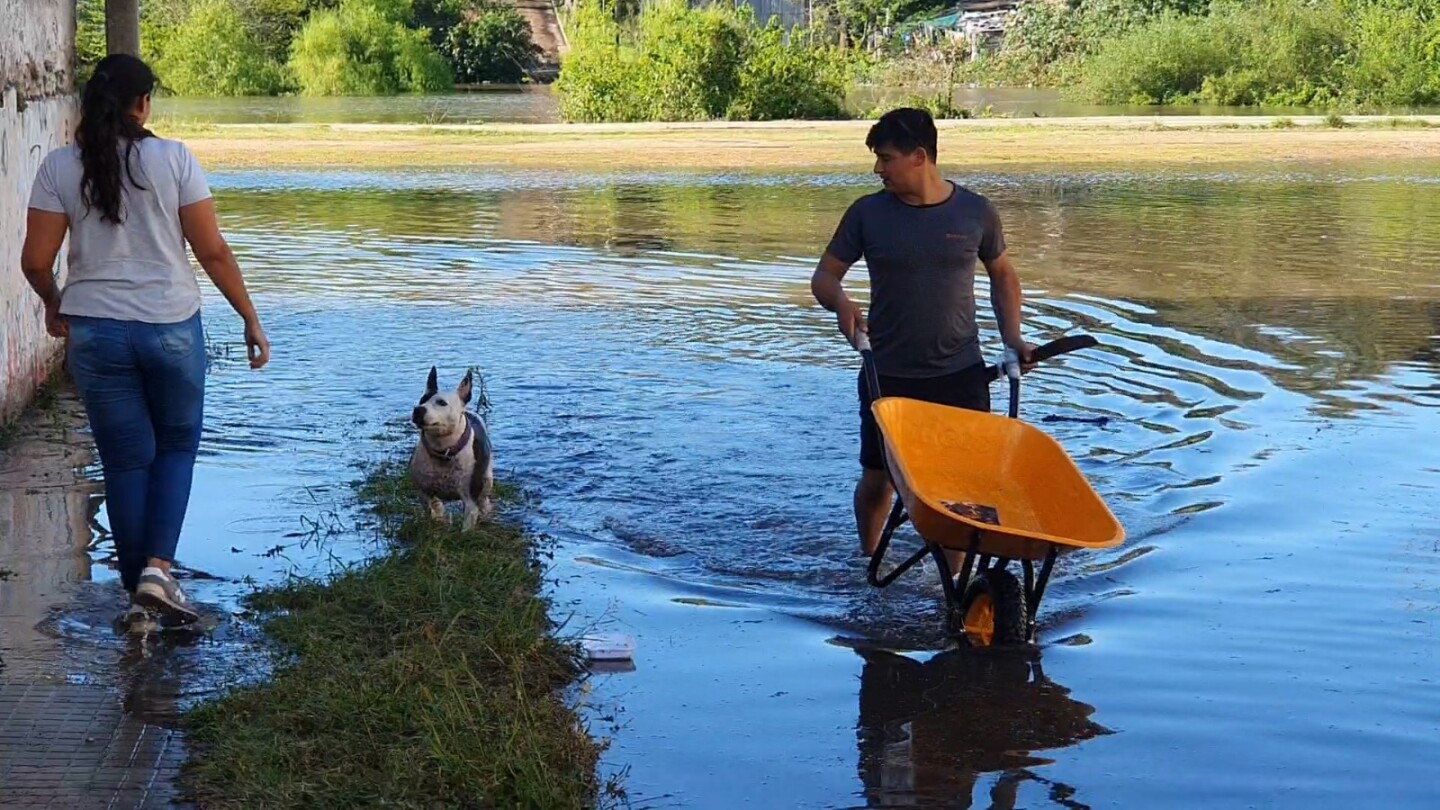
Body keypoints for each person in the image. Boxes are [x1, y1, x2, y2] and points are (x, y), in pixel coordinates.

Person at [20, 54, 270, 626]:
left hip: (96, 335)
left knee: (126, 460)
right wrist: (250, 318)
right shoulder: (174, 158)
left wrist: (55, 304)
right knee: (176, 449)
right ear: (143, 104)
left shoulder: (60, 167)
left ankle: (139, 594)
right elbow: (211, 251)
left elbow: (36, 261)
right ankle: (158, 572)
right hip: (172, 328)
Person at [810, 107, 1034, 574]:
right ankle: (867, 558)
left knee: (962, 490)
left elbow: (1003, 276)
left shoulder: (975, 211)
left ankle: (953, 583)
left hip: (960, 375)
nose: (878, 169)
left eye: (885, 158)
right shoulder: (867, 214)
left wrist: (1012, 338)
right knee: (877, 480)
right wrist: (843, 306)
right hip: (886, 374)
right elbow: (825, 277)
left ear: (919, 157)